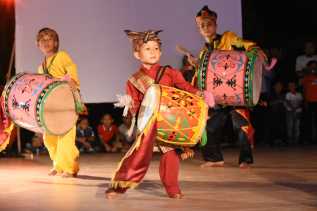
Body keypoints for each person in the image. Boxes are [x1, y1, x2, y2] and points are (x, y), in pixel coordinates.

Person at [106, 29, 202, 199]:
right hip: (149, 125)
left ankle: (172, 187)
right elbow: (135, 107)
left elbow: (186, 89)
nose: (153, 52)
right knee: (137, 156)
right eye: (148, 48)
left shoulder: (171, 72)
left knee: (170, 155)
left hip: (169, 121)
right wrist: (131, 107)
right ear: (137, 54)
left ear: (161, 52)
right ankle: (120, 186)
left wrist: (199, 93)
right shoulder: (133, 80)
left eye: (156, 48)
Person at [188, 6, 271, 168]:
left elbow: (244, 44)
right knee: (207, 128)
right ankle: (214, 158)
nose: (206, 28)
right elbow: (205, 76)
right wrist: (196, 66)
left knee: (242, 127)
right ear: (199, 29)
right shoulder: (203, 52)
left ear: (215, 25)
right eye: (202, 26)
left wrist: (254, 49)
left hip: (235, 94)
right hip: (217, 98)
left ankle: (245, 159)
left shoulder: (228, 37)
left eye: (209, 24)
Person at [37, 27, 80, 177]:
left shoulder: (62, 55)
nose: (46, 42)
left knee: (66, 135)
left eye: (49, 39)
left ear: (56, 43)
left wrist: (71, 80)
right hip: (51, 107)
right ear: (38, 45)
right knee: (49, 138)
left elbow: (71, 70)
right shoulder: (41, 66)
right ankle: (58, 164)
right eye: (42, 40)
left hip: (66, 102)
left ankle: (68, 167)